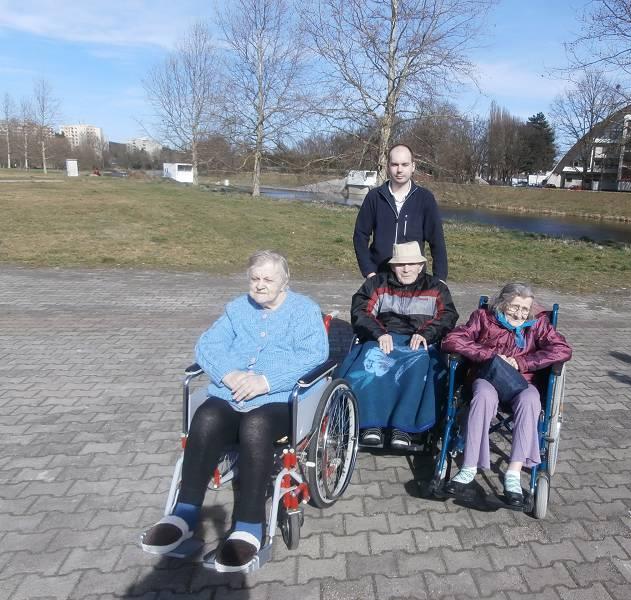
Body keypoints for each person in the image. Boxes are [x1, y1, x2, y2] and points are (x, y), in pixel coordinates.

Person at [141, 250, 328, 572]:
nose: (260, 285)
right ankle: (184, 513)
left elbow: (314, 354)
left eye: (268, 279)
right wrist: (229, 375)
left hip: (281, 398)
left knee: (256, 425)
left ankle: (249, 525)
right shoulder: (237, 308)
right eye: (255, 278)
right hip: (232, 391)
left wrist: (266, 381)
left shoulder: (304, 310)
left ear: (285, 281)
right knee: (206, 417)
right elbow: (207, 345)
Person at [440, 283, 572, 507]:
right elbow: (452, 339)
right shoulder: (483, 318)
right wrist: (490, 357)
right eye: (514, 307)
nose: (520, 314)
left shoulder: (538, 324)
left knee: (531, 400)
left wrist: (522, 362)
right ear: (502, 304)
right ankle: (469, 468)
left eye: (525, 309)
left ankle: (513, 473)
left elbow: (563, 349)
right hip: (488, 378)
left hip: (523, 381)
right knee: (482, 396)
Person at [340, 241, 458, 449]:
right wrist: (378, 333)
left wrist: (425, 333)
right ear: (393, 266)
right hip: (383, 336)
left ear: (420, 266)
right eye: (401, 264)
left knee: (419, 362)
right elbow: (361, 311)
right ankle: (370, 424)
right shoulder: (377, 284)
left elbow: (447, 316)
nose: (406, 269)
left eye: (412, 264)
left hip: (420, 339)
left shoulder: (436, 288)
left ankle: (403, 427)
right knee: (369, 359)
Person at [353, 144, 448, 281]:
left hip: (414, 278)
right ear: (388, 166)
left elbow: (437, 240)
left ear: (413, 166)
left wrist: (440, 279)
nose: (399, 170)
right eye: (394, 164)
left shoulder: (425, 198)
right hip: (380, 277)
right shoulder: (374, 197)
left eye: (405, 164)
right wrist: (369, 271)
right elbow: (360, 236)